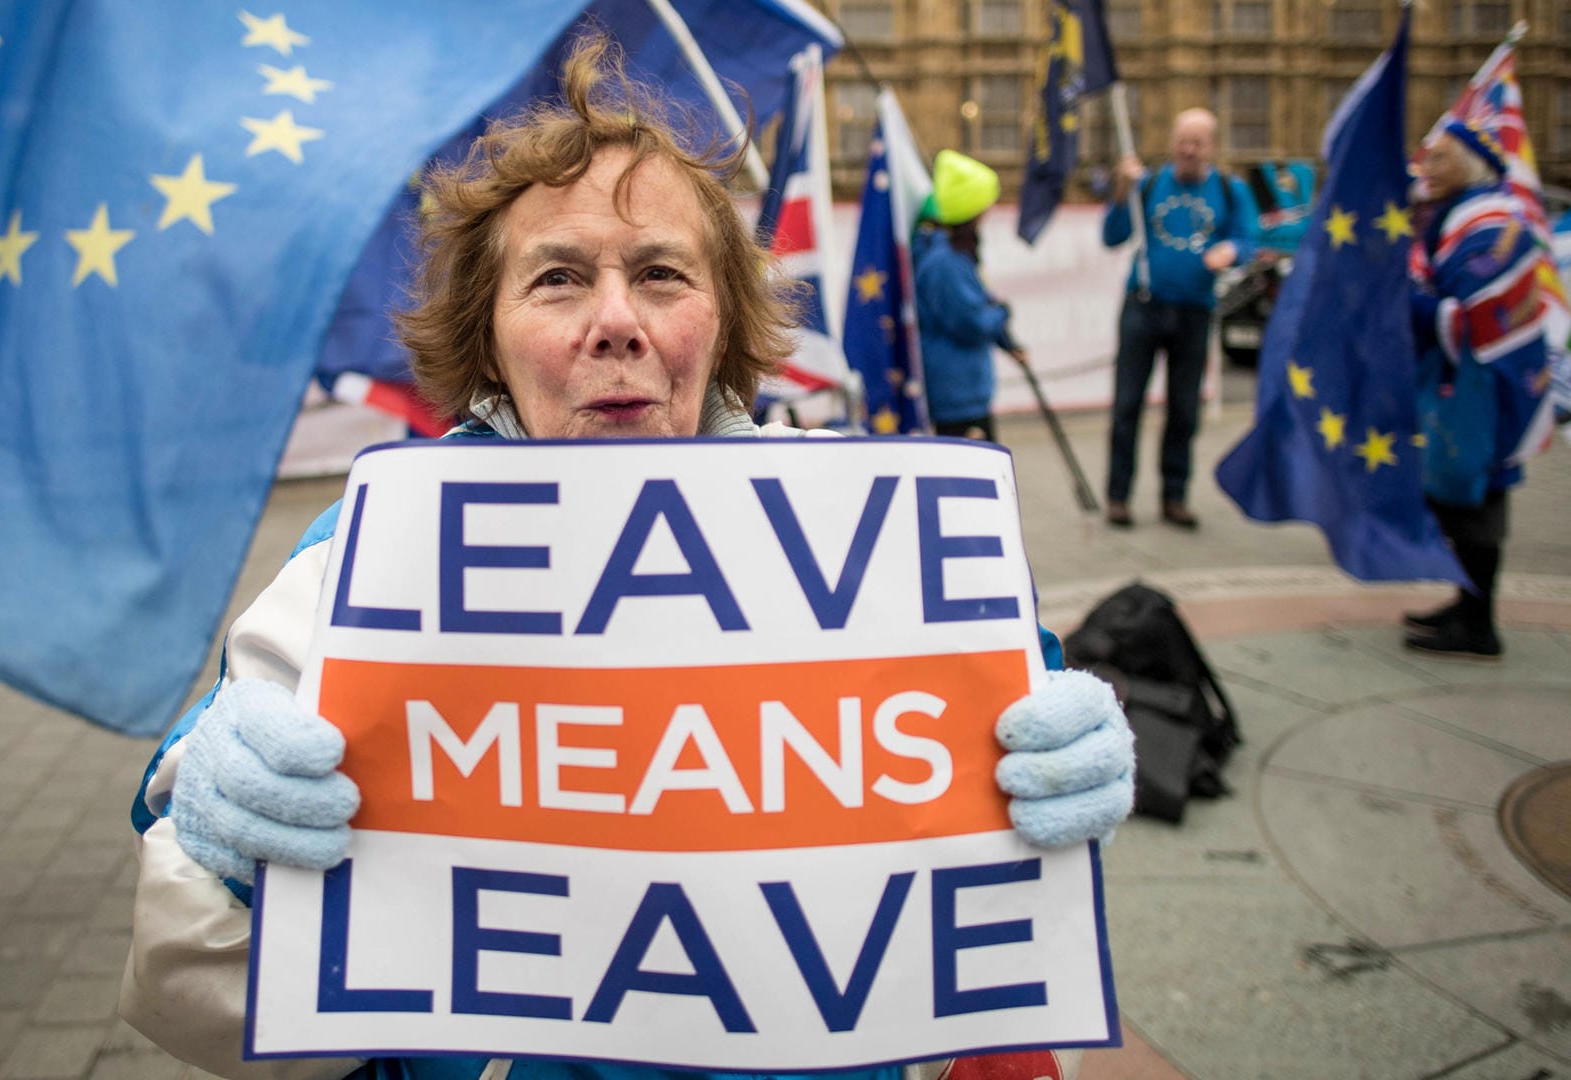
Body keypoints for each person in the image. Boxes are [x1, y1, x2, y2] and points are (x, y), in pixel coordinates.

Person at [119, 35, 1137, 1080]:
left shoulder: (879, 546)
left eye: (660, 274)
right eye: (558, 278)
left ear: (724, 321)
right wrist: (226, 864)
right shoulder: (365, 568)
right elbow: (208, 1015)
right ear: (490, 339)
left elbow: (962, 967)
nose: (616, 323)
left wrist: (1037, 815)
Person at [1400, 121, 1552, 659]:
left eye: (1439, 159)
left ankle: (1480, 624)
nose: (1427, 169)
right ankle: (1466, 604)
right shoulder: (1464, 215)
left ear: (1469, 164)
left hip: (1485, 391)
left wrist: (1407, 301)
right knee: (1462, 502)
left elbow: (1470, 319)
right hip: (1470, 386)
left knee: (1477, 502)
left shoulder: (1488, 224)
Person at [1100, 108, 1257, 530]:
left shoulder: (1229, 189)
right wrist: (1120, 193)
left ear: (1212, 147)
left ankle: (1175, 494)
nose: (1188, 150)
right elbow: (1112, 236)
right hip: (1144, 305)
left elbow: (1247, 237)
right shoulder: (1148, 183)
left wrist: (1232, 252)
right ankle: (1118, 495)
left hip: (1194, 310)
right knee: (1127, 404)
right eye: (1182, 141)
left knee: (1184, 409)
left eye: (1197, 143)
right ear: (1172, 142)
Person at [912, 149, 1027, 443]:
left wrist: (1006, 342)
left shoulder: (957, 256)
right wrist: (1003, 312)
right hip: (956, 395)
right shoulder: (945, 263)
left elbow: (976, 305)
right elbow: (969, 323)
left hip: (966, 391)